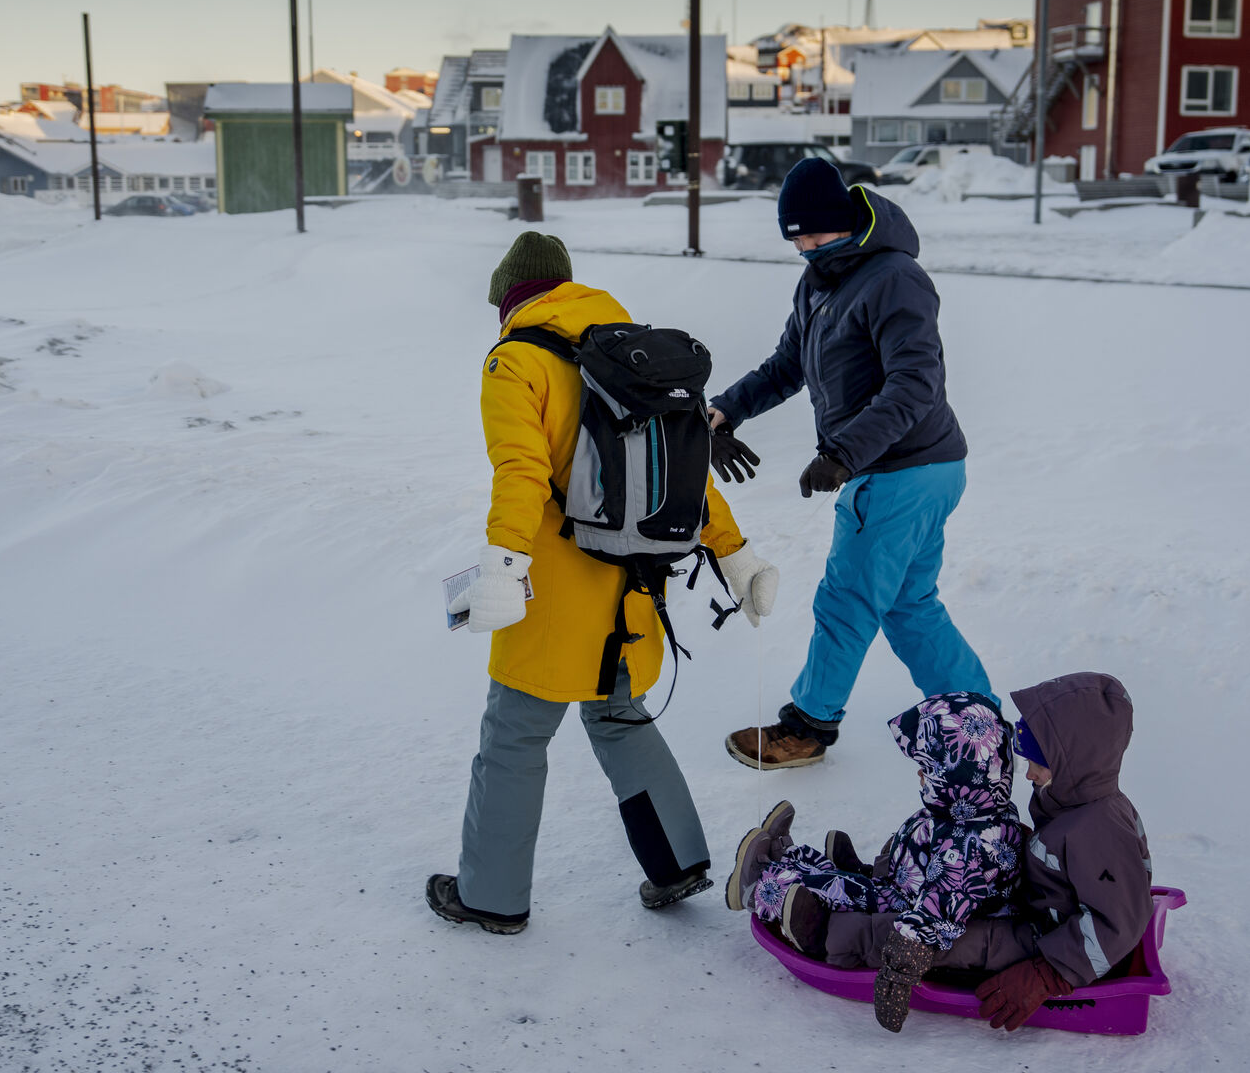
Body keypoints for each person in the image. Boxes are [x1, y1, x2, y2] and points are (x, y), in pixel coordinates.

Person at [428, 232, 782, 935]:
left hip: (556, 595)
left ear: (510, 297)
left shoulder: (516, 361)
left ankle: (491, 897)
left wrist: (503, 564)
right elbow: (687, 477)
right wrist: (735, 554)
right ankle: (677, 861)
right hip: (636, 591)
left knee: (514, 738)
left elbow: (521, 476)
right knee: (619, 717)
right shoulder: (633, 360)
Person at [708, 157, 989, 769]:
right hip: (914, 467)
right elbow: (787, 365)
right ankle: (978, 722)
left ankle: (808, 728)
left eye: (812, 233)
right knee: (909, 604)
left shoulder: (893, 278)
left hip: (902, 468)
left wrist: (843, 452)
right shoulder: (818, 282)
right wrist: (725, 412)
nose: (804, 246)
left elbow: (916, 383)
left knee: (846, 600)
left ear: (844, 221)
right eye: (794, 237)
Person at [796, 672, 1154, 1034]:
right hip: (1033, 911)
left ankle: (829, 933)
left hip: (1045, 941)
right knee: (953, 880)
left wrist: (1047, 974)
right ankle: (869, 883)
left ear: (1074, 761)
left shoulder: (1098, 827)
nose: (1028, 773)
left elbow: (1119, 923)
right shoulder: (1077, 800)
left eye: (1038, 763)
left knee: (950, 937)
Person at [724, 691, 1025, 963]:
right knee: (842, 884)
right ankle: (787, 858)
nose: (921, 775)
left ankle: (756, 887)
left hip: (902, 907)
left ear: (957, 776)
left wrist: (903, 965)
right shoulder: (979, 807)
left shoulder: (967, 845)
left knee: (835, 890)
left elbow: (941, 909)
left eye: (930, 770)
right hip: (904, 887)